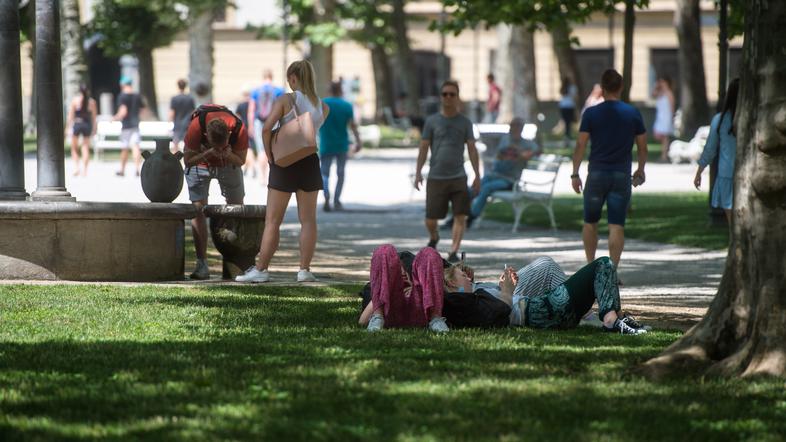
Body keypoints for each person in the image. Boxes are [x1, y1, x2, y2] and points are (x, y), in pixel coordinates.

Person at [358, 246, 647, 335]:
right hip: (537, 308)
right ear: (448, 282)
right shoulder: (457, 299)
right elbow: (497, 311)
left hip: (536, 304)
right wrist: (507, 290)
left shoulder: (468, 292)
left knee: (551, 265)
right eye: (461, 272)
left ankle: (603, 314)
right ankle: (610, 319)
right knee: (603, 264)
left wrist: (501, 287)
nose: (466, 272)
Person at [235, 60, 330, 283]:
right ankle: (304, 270)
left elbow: (266, 128)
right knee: (308, 221)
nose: (288, 83)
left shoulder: (286, 99)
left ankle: (261, 269)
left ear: (294, 78)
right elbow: (309, 133)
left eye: (289, 79)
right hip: (309, 162)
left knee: (273, 221)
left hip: (284, 163)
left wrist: (270, 156)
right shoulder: (323, 107)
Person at [571, 69, 648, 269]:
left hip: (596, 174)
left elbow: (580, 145)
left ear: (602, 88)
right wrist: (641, 169)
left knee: (590, 222)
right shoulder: (632, 113)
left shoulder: (591, 113)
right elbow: (642, 146)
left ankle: (590, 269)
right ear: (621, 87)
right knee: (616, 225)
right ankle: (612, 272)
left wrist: (575, 173)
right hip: (621, 175)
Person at [414, 80, 481, 264]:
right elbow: (423, 147)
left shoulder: (465, 122)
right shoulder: (432, 121)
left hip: (459, 176)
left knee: (461, 215)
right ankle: (434, 236)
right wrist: (418, 172)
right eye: (445, 94)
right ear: (441, 97)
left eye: (452, 94)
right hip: (436, 176)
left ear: (458, 97)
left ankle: (453, 251)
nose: (448, 97)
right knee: (430, 218)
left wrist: (477, 174)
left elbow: (472, 149)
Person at [183, 105, 249, 279]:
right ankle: (202, 264)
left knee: (237, 209)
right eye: (215, 146)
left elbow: (241, 160)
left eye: (223, 146)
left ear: (229, 134)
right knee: (198, 210)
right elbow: (188, 160)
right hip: (200, 165)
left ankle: (234, 263)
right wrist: (207, 154)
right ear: (206, 137)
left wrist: (227, 155)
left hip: (229, 165)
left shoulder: (239, 129)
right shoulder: (196, 127)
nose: (219, 150)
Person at [441, 118, 540, 229]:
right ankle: (456, 217)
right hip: (495, 174)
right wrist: (506, 154)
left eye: (517, 126)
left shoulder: (527, 144)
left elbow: (532, 153)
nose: (515, 129)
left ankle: (471, 218)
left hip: (510, 180)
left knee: (487, 188)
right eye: (513, 126)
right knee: (473, 188)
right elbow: (499, 156)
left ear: (522, 128)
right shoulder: (505, 140)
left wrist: (516, 151)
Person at [359, 245, 450, 333]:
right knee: (384, 250)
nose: (402, 272)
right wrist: (385, 291)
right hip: (389, 312)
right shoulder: (386, 288)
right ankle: (377, 318)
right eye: (397, 269)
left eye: (404, 269)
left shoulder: (420, 286)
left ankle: (436, 319)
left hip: (423, 312)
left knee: (429, 252)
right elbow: (363, 321)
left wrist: (418, 289)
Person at [694, 78, 739, 224]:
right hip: (748, 173)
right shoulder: (754, 118)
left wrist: (699, 171)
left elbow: (710, 149)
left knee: (733, 223)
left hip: (726, 174)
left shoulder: (720, 120)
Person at [319, 81, 362, 212]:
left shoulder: (321, 104)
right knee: (340, 173)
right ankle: (337, 200)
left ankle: (326, 195)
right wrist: (358, 141)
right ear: (340, 91)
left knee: (324, 173)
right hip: (341, 144)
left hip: (325, 143)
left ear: (329, 90)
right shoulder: (347, 106)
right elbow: (352, 126)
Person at [248, 70, 284, 185]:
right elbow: (282, 109)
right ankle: (271, 176)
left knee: (261, 149)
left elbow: (251, 110)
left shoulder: (256, 91)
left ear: (263, 77)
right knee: (273, 149)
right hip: (273, 121)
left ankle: (262, 178)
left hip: (259, 122)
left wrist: (251, 126)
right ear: (272, 77)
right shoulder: (278, 91)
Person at [113, 76, 146, 177]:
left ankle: (122, 170)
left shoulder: (122, 96)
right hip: (135, 124)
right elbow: (142, 109)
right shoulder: (137, 95)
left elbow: (123, 111)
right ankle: (137, 169)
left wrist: (114, 118)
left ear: (123, 84)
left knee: (125, 148)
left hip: (126, 125)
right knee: (136, 147)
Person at [65, 84, 97, 177]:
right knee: (85, 147)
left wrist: (67, 128)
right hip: (87, 125)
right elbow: (94, 117)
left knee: (74, 148)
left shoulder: (75, 100)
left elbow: (71, 116)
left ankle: (76, 168)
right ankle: (85, 171)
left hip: (77, 124)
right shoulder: (92, 102)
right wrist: (94, 129)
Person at [235, 86, 258, 178]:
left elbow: (237, 117)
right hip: (253, 128)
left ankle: (251, 167)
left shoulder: (241, 105)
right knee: (249, 148)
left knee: (248, 149)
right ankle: (248, 168)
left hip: (244, 128)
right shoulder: (253, 104)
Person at [168, 78, 196, 153]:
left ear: (178, 86)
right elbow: (193, 112)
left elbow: (172, 113)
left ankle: (175, 161)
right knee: (187, 144)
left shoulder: (174, 98)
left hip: (177, 124)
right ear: (185, 86)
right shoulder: (190, 98)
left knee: (175, 144)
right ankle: (186, 159)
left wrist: (169, 122)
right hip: (187, 124)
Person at [652, 76, 675, 162]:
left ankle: (664, 155)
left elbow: (672, 106)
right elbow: (653, 94)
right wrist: (657, 86)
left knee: (665, 137)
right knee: (658, 135)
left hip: (666, 117)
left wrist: (672, 117)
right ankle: (665, 153)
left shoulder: (669, 93)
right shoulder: (660, 93)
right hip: (660, 117)